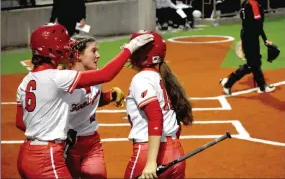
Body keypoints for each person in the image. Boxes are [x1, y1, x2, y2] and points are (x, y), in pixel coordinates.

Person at [16, 23, 153, 178]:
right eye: (63, 45)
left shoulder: (26, 81)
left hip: (29, 151)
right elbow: (106, 74)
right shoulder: (58, 77)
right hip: (47, 155)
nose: (67, 49)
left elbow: (21, 122)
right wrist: (130, 48)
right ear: (52, 49)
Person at [124, 30, 194, 179]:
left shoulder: (141, 79)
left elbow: (155, 118)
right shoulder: (161, 77)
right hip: (176, 152)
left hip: (150, 152)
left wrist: (151, 163)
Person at [64, 34, 125, 179]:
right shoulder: (62, 82)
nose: (98, 55)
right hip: (67, 145)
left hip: (92, 143)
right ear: (78, 55)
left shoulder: (96, 77)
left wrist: (108, 96)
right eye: (93, 51)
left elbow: (88, 101)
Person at [220, 0, 276, 95]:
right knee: (252, 64)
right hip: (251, 38)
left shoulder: (244, 3)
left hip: (247, 36)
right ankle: (228, 83)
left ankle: (262, 86)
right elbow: (258, 25)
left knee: (256, 62)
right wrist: (265, 39)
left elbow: (248, 23)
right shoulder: (253, 4)